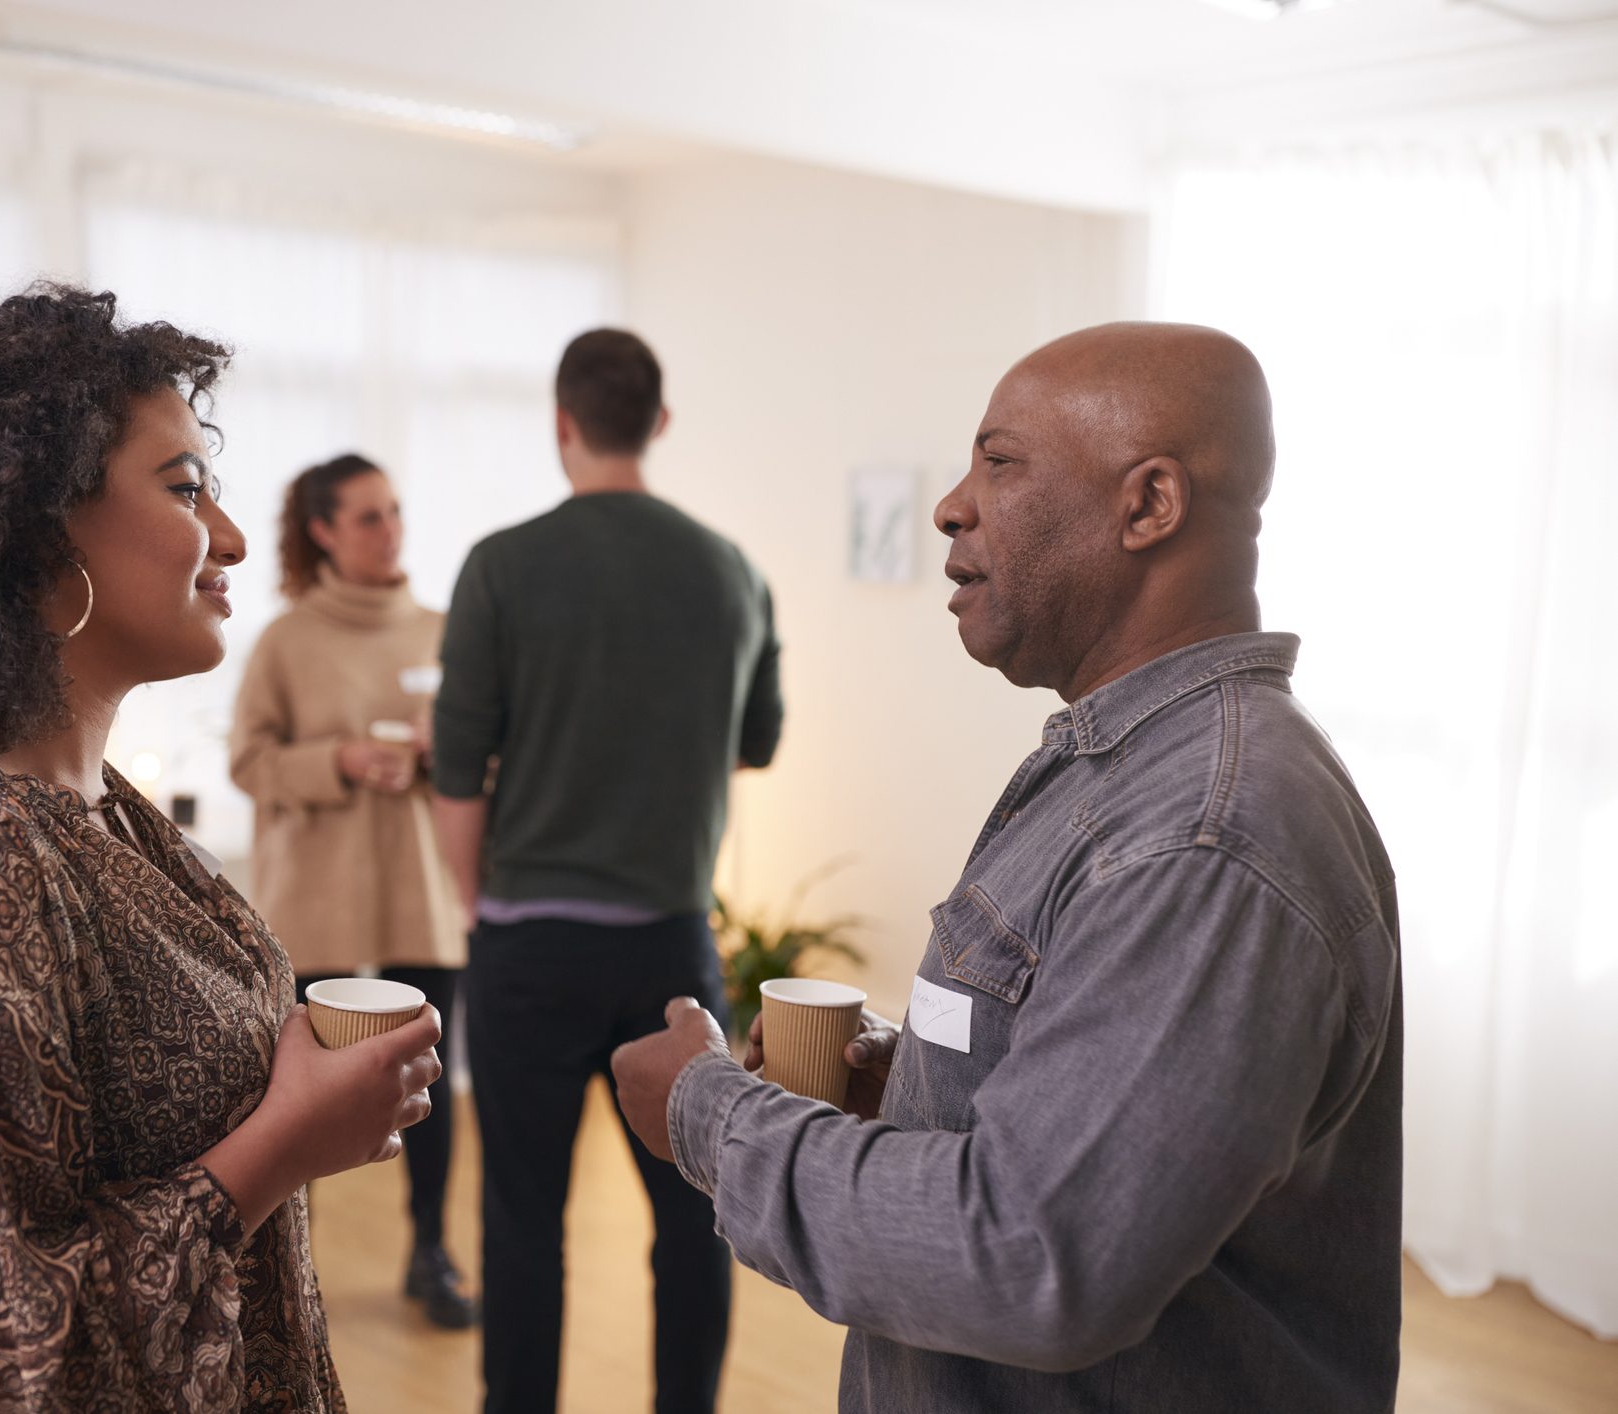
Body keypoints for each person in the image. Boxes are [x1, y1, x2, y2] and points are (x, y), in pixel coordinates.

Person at [611, 322, 1402, 1412]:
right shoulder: (1119, 766)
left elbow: (1031, 1255)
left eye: (1000, 460)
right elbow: (1107, 1130)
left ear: (1149, 505)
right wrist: (916, 1082)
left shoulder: (1205, 836)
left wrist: (705, 1113)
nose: (951, 505)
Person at [0, 285, 442, 1411]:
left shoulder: (88, 803)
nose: (231, 537)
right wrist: (283, 1141)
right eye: (184, 488)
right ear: (31, 530)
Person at [431, 328, 784, 1414]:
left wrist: (484, 910)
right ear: (660, 423)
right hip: (670, 940)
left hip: (527, 942)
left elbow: (455, 774)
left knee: (525, 1217)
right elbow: (754, 741)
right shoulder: (734, 571)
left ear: (562, 423)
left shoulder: (500, 563)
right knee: (696, 1215)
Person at [230, 452, 474, 1329]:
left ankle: (432, 1253)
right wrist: (339, 759)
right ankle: (296, 1275)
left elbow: (485, 761)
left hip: (421, 894)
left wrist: (438, 752)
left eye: (397, 510)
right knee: (300, 1093)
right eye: (368, 516)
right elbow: (248, 762)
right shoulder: (284, 639)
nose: (391, 529)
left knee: (430, 1083)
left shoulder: (445, 628)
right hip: (317, 903)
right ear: (323, 530)